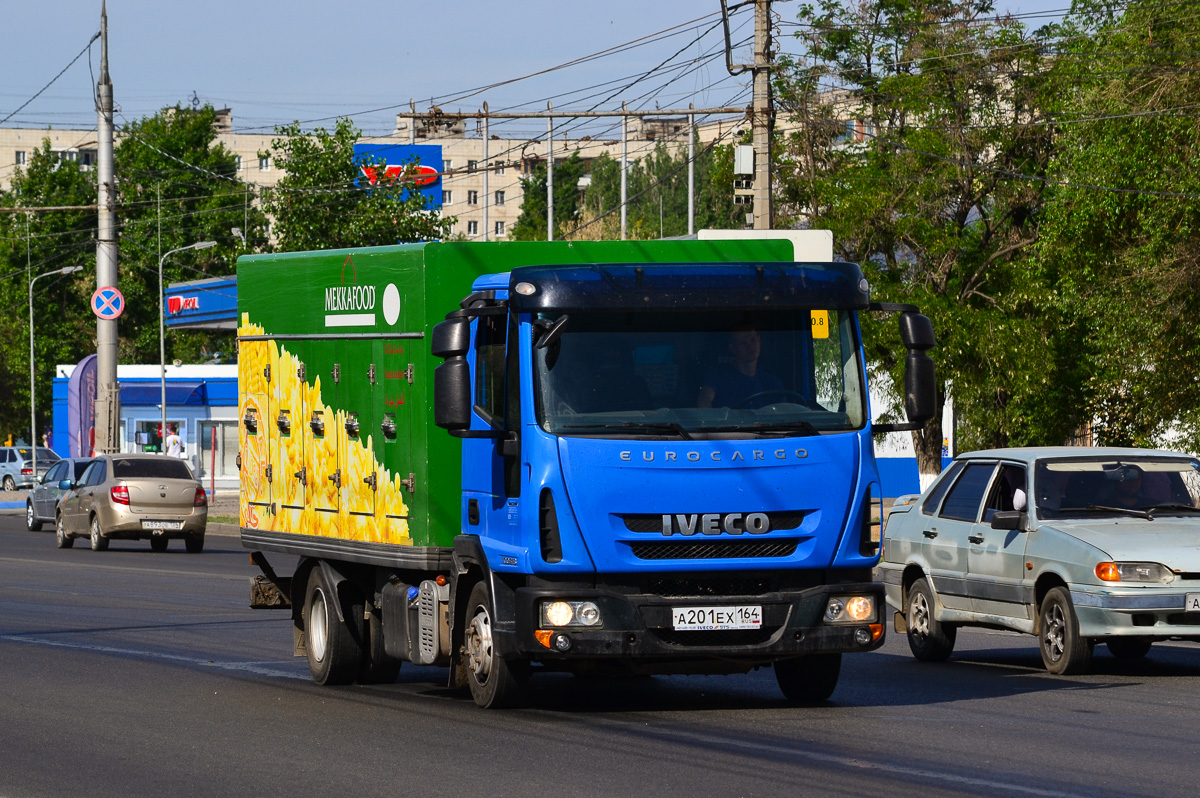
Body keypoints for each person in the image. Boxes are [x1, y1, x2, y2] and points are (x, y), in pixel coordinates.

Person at [697, 325, 785, 408]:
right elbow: (704, 401)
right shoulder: (717, 375)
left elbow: (783, 415)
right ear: (733, 348)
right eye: (743, 343)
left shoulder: (772, 383)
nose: (750, 345)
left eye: (753, 340)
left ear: (759, 341)